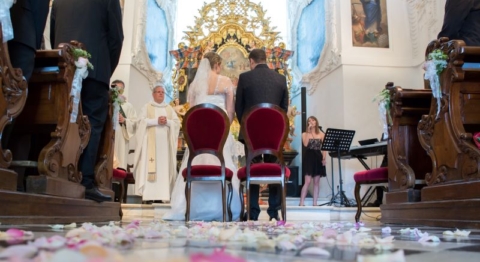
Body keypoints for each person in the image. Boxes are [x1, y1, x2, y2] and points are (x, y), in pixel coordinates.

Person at [50, 0, 124, 202]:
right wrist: (106, 68)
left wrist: (65, 62)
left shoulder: (58, 1)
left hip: (63, 70)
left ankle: (58, 172)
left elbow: (53, 35)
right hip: (95, 69)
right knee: (93, 123)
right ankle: (86, 181)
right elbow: (116, 38)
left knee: (63, 120)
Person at [163, 52, 242, 221]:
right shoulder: (226, 82)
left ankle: (193, 207)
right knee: (221, 162)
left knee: (200, 163)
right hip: (220, 133)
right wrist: (225, 128)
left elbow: (191, 113)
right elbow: (230, 111)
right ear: (218, 65)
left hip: (198, 137)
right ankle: (222, 207)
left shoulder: (195, 85)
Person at [235, 49, 289, 221]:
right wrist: (275, 128)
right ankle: (274, 210)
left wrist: (248, 126)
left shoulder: (245, 78)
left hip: (251, 134)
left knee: (253, 167)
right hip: (275, 135)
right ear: (265, 60)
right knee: (274, 169)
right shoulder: (280, 79)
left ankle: (253, 211)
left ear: (251, 61)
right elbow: (284, 109)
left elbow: (239, 107)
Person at [133, 84, 180, 203]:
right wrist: (156, 121)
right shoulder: (147, 107)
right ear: (153, 94)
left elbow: (177, 123)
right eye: (158, 92)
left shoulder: (169, 109)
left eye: (162, 92)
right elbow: (140, 122)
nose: (161, 94)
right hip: (150, 146)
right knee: (150, 166)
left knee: (164, 168)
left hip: (164, 147)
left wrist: (168, 122)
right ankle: (149, 196)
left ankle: (163, 196)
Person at [299, 116, 327, 206]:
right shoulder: (304, 134)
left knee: (316, 182)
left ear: (316, 121)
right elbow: (306, 144)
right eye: (309, 121)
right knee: (307, 181)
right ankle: (301, 202)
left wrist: (324, 158)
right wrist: (308, 131)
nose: (311, 122)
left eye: (313, 120)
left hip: (318, 157)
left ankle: (315, 203)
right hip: (309, 157)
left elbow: (324, 149)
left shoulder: (322, 134)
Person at [112, 79, 137, 170]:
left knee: (119, 161)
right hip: (108, 134)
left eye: (120, 88)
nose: (117, 90)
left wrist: (125, 120)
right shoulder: (108, 102)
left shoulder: (128, 106)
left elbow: (135, 123)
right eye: (115, 88)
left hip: (121, 138)